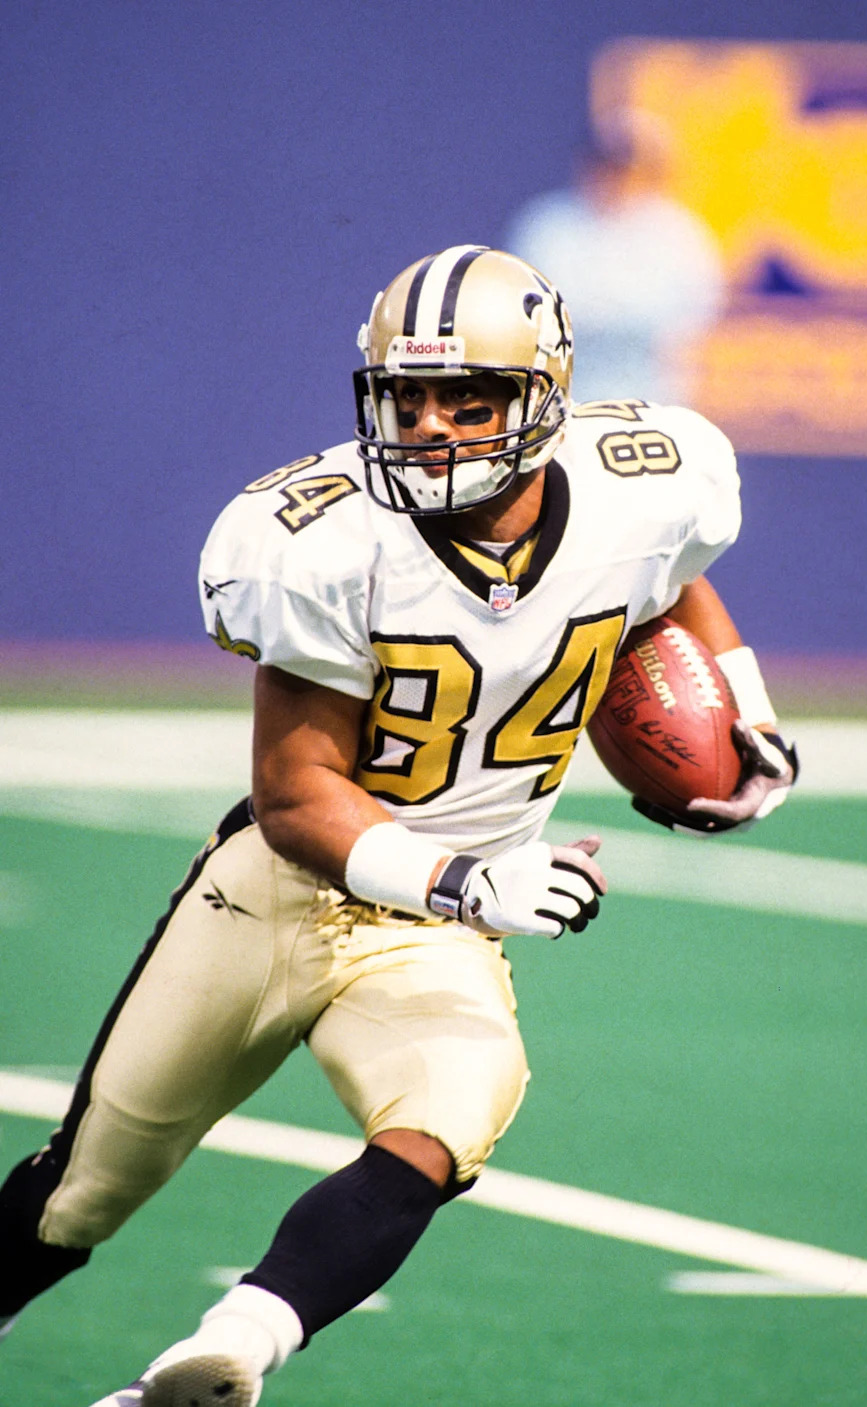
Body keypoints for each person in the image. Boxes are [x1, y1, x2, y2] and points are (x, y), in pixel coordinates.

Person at [0, 245, 797, 1406]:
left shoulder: (643, 483)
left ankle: (221, 1355)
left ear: (544, 397)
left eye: (465, 399)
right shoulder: (326, 540)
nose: (428, 427)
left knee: (447, 1114)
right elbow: (294, 795)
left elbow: (666, 578)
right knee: (85, 1192)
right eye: (405, 398)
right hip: (278, 895)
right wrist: (473, 882)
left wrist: (749, 707)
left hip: (434, 929)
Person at [504, 108, 725, 406]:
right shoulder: (547, 227)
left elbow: (694, 318)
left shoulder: (680, 234)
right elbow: (528, 315)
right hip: (562, 402)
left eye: (624, 167)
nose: (612, 178)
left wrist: (604, 317)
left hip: (652, 401)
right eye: (603, 165)